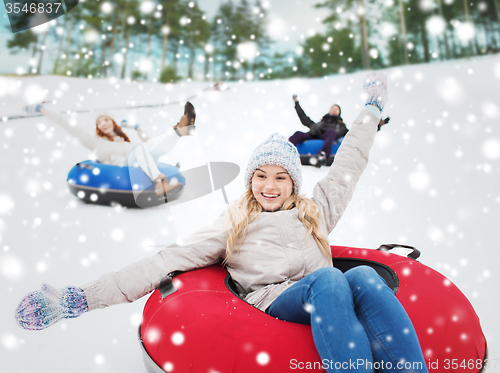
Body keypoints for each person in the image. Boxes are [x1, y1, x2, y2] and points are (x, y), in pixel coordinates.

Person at [15, 73, 428, 373]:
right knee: (333, 280)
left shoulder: (315, 209)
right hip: (272, 302)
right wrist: (81, 297)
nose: (270, 186)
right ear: (251, 181)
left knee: (365, 280)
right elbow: (166, 260)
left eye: (281, 177)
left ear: (293, 182)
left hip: (326, 297)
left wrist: (371, 108)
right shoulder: (235, 222)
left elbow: (349, 163)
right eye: (261, 176)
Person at [23, 102, 196, 196]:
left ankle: (180, 131)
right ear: (97, 127)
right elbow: (67, 125)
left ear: (112, 123)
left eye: (106, 119)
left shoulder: (124, 140)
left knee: (148, 148)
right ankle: (159, 181)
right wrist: (42, 110)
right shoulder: (93, 142)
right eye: (99, 122)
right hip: (122, 171)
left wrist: (137, 128)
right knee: (139, 149)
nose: (103, 123)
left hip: (139, 163)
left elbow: (150, 145)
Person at [290, 96, 389, 168]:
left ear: (339, 113)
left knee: (331, 131)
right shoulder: (319, 123)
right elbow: (304, 118)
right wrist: (296, 103)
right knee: (298, 133)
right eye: (332, 107)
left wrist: (377, 125)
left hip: (329, 137)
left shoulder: (341, 127)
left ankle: (323, 155)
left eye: (336, 108)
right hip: (315, 135)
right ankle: (286, 149)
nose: (334, 109)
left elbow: (358, 133)